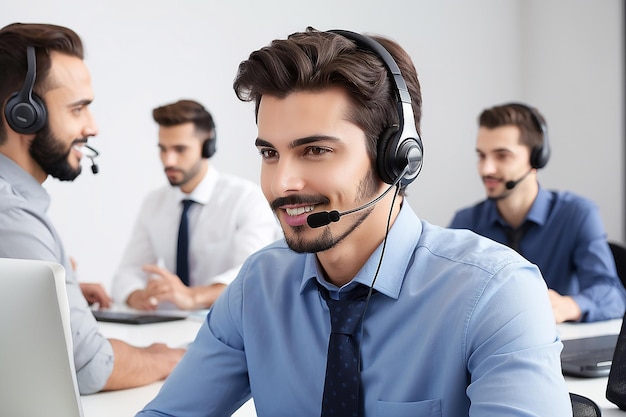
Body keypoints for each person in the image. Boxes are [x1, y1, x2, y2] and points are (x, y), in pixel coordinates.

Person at [137, 28, 571, 416]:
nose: (282, 182)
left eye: (315, 150)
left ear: (397, 157)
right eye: (270, 153)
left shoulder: (496, 294)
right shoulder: (258, 286)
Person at [0, 22, 185, 395]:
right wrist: (164, 357)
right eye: (78, 109)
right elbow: (88, 367)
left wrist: (51, 295)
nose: (93, 127)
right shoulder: (12, 213)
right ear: (24, 114)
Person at [449, 102, 626, 323]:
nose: (486, 169)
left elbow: (613, 295)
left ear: (536, 158)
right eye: (482, 156)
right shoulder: (466, 222)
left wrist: (569, 306)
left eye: (502, 156)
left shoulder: (577, 214)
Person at [110, 99, 279, 311]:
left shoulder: (246, 199)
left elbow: (253, 276)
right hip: (172, 326)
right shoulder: (154, 203)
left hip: (231, 325)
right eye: (163, 149)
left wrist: (193, 297)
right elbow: (127, 272)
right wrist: (137, 295)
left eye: (180, 149)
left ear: (207, 147)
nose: (168, 161)